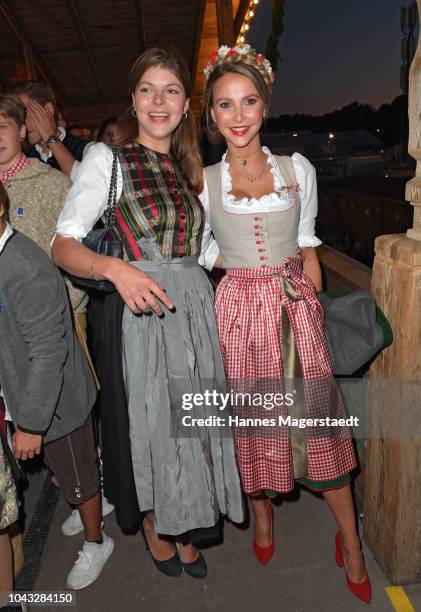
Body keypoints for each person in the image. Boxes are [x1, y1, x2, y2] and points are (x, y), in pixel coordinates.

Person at [52, 46, 244, 579]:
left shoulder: (192, 171)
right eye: (147, 90)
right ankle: (160, 525)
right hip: (139, 314)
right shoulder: (105, 161)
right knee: (152, 423)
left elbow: (203, 251)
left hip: (194, 310)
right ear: (134, 102)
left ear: (186, 106)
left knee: (192, 424)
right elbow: (62, 244)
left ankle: (189, 523)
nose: (159, 101)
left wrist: (257, 253)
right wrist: (116, 270)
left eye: (172, 91)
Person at [201, 45, 371, 604]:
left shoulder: (297, 169)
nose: (239, 115)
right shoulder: (203, 181)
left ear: (265, 105)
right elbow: (200, 252)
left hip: (295, 309)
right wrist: (240, 268)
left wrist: (312, 312)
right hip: (238, 319)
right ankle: (264, 516)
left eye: (248, 101)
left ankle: (351, 542)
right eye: (225, 105)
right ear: (211, 114)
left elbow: (308, 249)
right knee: (253, 428)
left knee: (319, 426)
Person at [0, 97, 113, 590]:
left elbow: (47, 345)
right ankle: (81, 497)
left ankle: (96, 537)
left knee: (74, 458)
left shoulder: (26, 260)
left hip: (52, 368)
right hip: (28, 371)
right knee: (67, 462)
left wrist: (28, 420)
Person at [12, 81, 90, 179]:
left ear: (48, 109)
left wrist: (50, 138)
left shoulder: (87, 149)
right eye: (17, 117)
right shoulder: (24, 161)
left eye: (25, 113)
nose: (21, 123)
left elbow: (82, 182)